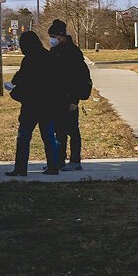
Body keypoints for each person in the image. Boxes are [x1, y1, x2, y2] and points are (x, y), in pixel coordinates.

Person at [5, 32, 60, 175]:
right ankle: (53, 166)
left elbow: (22, 77)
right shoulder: (49, 57)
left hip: (31, 104)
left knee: (23, 137)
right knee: (48, 137)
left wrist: (13, 86)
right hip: (47, 104)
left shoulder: (29, 60)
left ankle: (20, 168)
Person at [47, 19, 92, 171]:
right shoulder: (55, 51)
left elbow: (79, 78)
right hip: (56, 98)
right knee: (59, 131)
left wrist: (75, 99)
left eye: (53, 36)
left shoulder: (73, 53)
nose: (51, 40)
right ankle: (59, 160)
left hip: (69, 98)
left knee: (72, 130)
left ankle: (75, 160)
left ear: (61, 36)